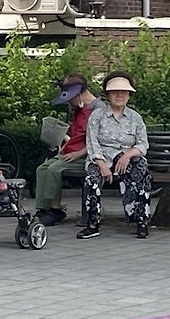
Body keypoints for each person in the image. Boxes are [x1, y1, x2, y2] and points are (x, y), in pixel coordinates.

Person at [79, 72, 151, 240]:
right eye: (115, 92)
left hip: (125, 159)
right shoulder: (97, 116)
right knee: (92, 179)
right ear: (107, 95)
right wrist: (102, 164)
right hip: (101, 158)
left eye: (124, 92)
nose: (120, 95)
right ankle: (92, 224)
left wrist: (128, 155)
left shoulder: (135, 118)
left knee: (141, 171)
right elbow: (92, 142)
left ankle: (141, 221)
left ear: (129, 95)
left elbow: (143, 144)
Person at [34, 74, 102, 226]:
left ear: (78, 94)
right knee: (42, 169)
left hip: (87, 156)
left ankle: (55, 211)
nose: (69, 102)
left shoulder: (98, 109)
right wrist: (64, 143)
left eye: (70, 98)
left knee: (54, 169)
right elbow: (77, 135)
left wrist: (78, 154)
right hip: (72, 152)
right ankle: (43, 208)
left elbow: (99, 141)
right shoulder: (79, 108)